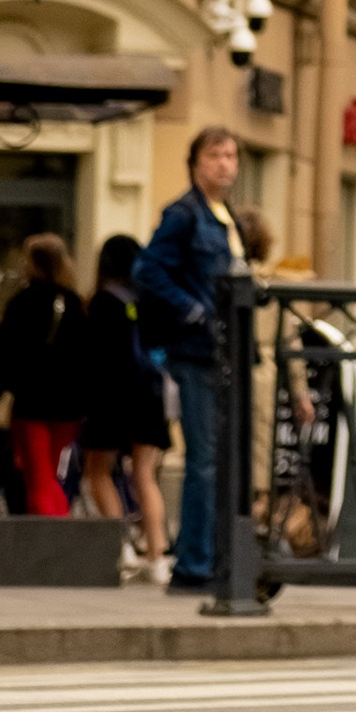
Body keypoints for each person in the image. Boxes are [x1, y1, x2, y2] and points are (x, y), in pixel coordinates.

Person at [133, 127, 246, 595]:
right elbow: (148, 268)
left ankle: (215, 557)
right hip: (197, 351)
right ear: (196, 162)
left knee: (219, 458)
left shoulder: (226, 216)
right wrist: (192, 309)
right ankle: (193, 566)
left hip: (224, 351)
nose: (225, 164)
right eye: (215, 155)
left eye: (231, 156)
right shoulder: (183, 214)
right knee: (202, 459)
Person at [78, 232, 171, 578]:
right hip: (149, 395)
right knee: (144, 474)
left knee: (97, 471)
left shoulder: (103, 302)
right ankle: (158, 556)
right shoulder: (148, 300)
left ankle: (121, 546)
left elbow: (94, 357)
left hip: (110, 398)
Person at [0, 231, 89, 515]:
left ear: (31, 262)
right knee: (49, 473)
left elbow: (5, 357)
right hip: (68, 409)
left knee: (38, 479)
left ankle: (53, 542)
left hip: (32, 405)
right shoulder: (76, 304)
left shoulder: (23, 302)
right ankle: (58, 532)